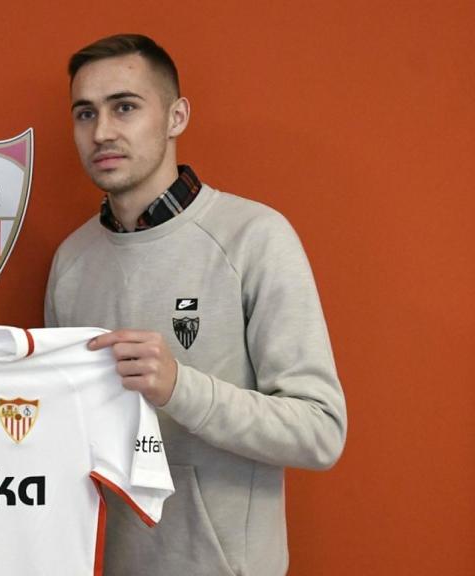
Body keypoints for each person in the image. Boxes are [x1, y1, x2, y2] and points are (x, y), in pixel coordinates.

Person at [45, 34, 347, 575]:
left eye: (126, 107)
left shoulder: (254, 237)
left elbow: (320, 431)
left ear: (176, 116)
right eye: (85, 113)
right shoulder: (71, 261)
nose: (103, 132)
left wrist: (181, 388)